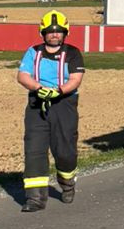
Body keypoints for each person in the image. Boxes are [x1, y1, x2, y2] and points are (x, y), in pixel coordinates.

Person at [18, 11, 85, 212]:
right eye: (50, 31)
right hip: (37, 105)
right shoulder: (33, 52)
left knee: (65, 150)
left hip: (64, 104)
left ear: (65, 32)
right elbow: (22, 75)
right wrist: (38, 88)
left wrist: (58, 91)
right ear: (43, 33)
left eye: (58, 31)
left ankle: (67, 183)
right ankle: (35, 199)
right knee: (34, 150)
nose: (54, 34)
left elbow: (75, 79)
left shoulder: (73, 53)